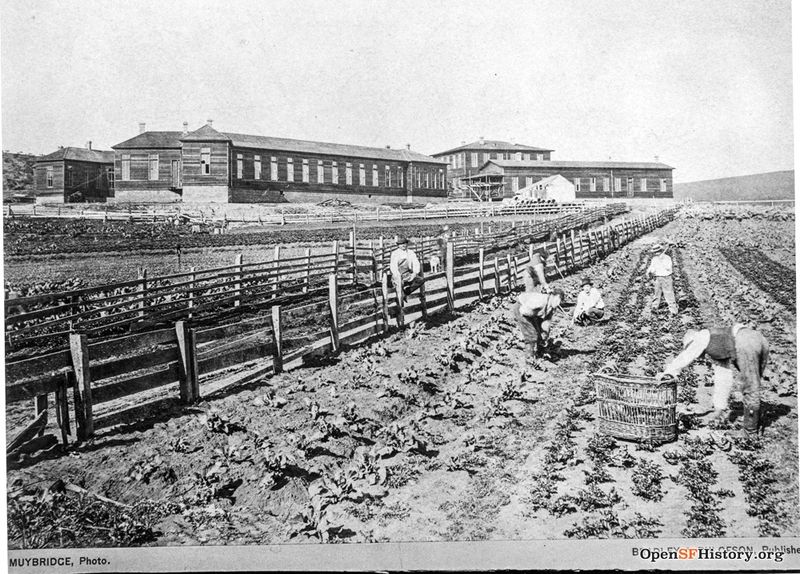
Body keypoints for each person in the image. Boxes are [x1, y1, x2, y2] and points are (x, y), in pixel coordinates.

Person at [657, 324, 769, 436]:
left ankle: (750, 432)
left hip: (745, 341)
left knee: (751, 387)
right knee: (754, 384)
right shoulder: (718, 348)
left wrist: (668, 372)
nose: (699, 358)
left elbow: (685, 357)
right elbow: (723, 379)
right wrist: (719, 409)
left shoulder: (700, 337)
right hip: (757, 338)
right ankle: (756, 423)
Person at [511, 288, 565, 367]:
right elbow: (524, 311)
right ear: (552, 296)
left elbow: (546, 322)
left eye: (559, 302)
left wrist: (544, 334)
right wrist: (533, 322)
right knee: (531, 335)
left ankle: (540, 352)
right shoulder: (539, 301)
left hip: (534, 313)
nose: (558, 303)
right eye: (557, 300)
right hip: (523, 309)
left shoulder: (552, 307)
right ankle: (529, 360)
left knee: (540, 334)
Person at [646, 243, 678, 315]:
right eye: (655, 252)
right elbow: (652, 268)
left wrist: (662, 261)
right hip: (658, 278)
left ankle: (673, 310)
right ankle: (654, 308)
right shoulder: (654, 259)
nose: (656, 253)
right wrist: (649, 271)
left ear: (660, 251)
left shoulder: (667, 258)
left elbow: (668, 268)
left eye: (657, 252)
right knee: (656, 294)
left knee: (669, 293)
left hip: (666, 278)